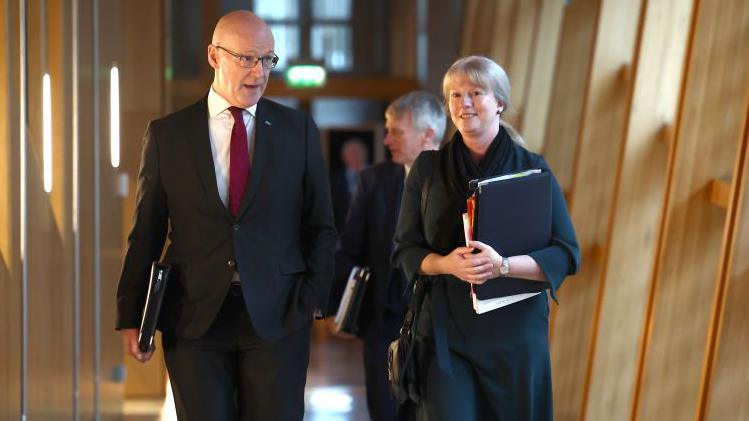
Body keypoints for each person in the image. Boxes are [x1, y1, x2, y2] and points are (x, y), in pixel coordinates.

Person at [116, 11, 336, 421]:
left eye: (268, 60)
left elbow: (321, 226)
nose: (259, 72)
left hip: (279, 315)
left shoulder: (297, 130)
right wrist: (133, 315)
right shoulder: (169, 135)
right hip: (194, 315)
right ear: (214, 56)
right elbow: (145, 232)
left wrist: (310, 302)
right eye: (246, 59)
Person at [392, 56, 580, 420]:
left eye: (475, 93)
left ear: (499, 103)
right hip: (446, 335)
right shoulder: (427, 170)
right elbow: (406, 248)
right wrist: (448, 264)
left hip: (516, 340)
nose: (463, 103)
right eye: (455, 95)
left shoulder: (532, 169)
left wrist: (502, 266)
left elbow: (566, 253)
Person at [332, 91, 446, 421]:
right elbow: (350, 248)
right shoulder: (374, 181)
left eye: (397, 131)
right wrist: (327, 303)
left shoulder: (457, 180)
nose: (386, 139)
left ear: (428, 133)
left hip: (440, 325)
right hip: (383, 323)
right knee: (384, 411)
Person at [330, 137, 369, 232]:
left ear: (364, 154)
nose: (354, 155)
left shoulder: (377, 176)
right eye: (350, 153)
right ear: (343, 157)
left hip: (370, 231)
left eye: (357, 152)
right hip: (343, 232)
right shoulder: (334, 179)